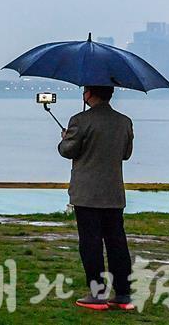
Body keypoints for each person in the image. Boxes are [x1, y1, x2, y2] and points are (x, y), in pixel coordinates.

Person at [58, 85, 135, 311]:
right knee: (117, 243)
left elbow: (67, 150)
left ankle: (97, 293)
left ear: (89, 94)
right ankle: (123, 294)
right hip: (113, 192)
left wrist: (65, 138)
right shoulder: (124, 121)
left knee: (90, 243)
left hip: (87, 194)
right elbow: (126, 154)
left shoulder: (80, 120)